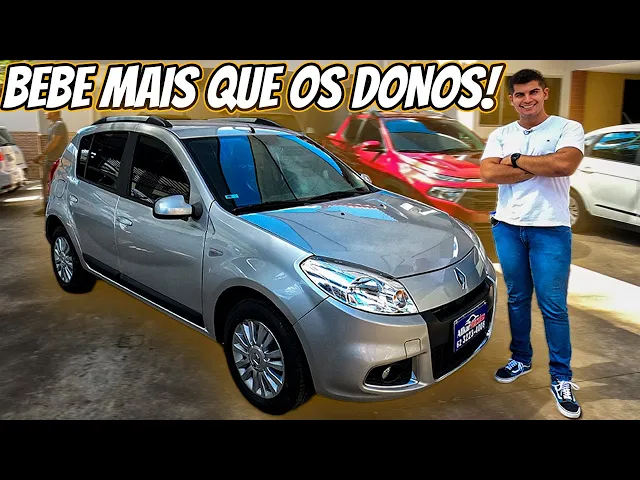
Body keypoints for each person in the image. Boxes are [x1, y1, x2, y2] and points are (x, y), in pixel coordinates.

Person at [480, 69, 585, 419]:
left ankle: (561, 377)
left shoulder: (567, 128)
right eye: (520, 94)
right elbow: (488, 173)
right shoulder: (501, 134)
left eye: (533, 92)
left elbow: (564, 165)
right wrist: (541, 165)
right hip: (508, 228)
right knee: (517, 298)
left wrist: (512, 160)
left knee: (553, 306)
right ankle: (521, 358)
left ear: (545, 93)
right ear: (512, 99)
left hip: (550, 229)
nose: (528, 99)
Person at [33, 110, 68, 215]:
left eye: (47, 111)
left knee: (55, 186)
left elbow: (54, 142)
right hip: (49, 160)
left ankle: (54, 209)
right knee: (45, 183)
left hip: (56, 162)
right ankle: (46, 207)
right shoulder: (53, 125)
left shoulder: (60, 125)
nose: (45, 113)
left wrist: (41, 155)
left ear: (53, 112)